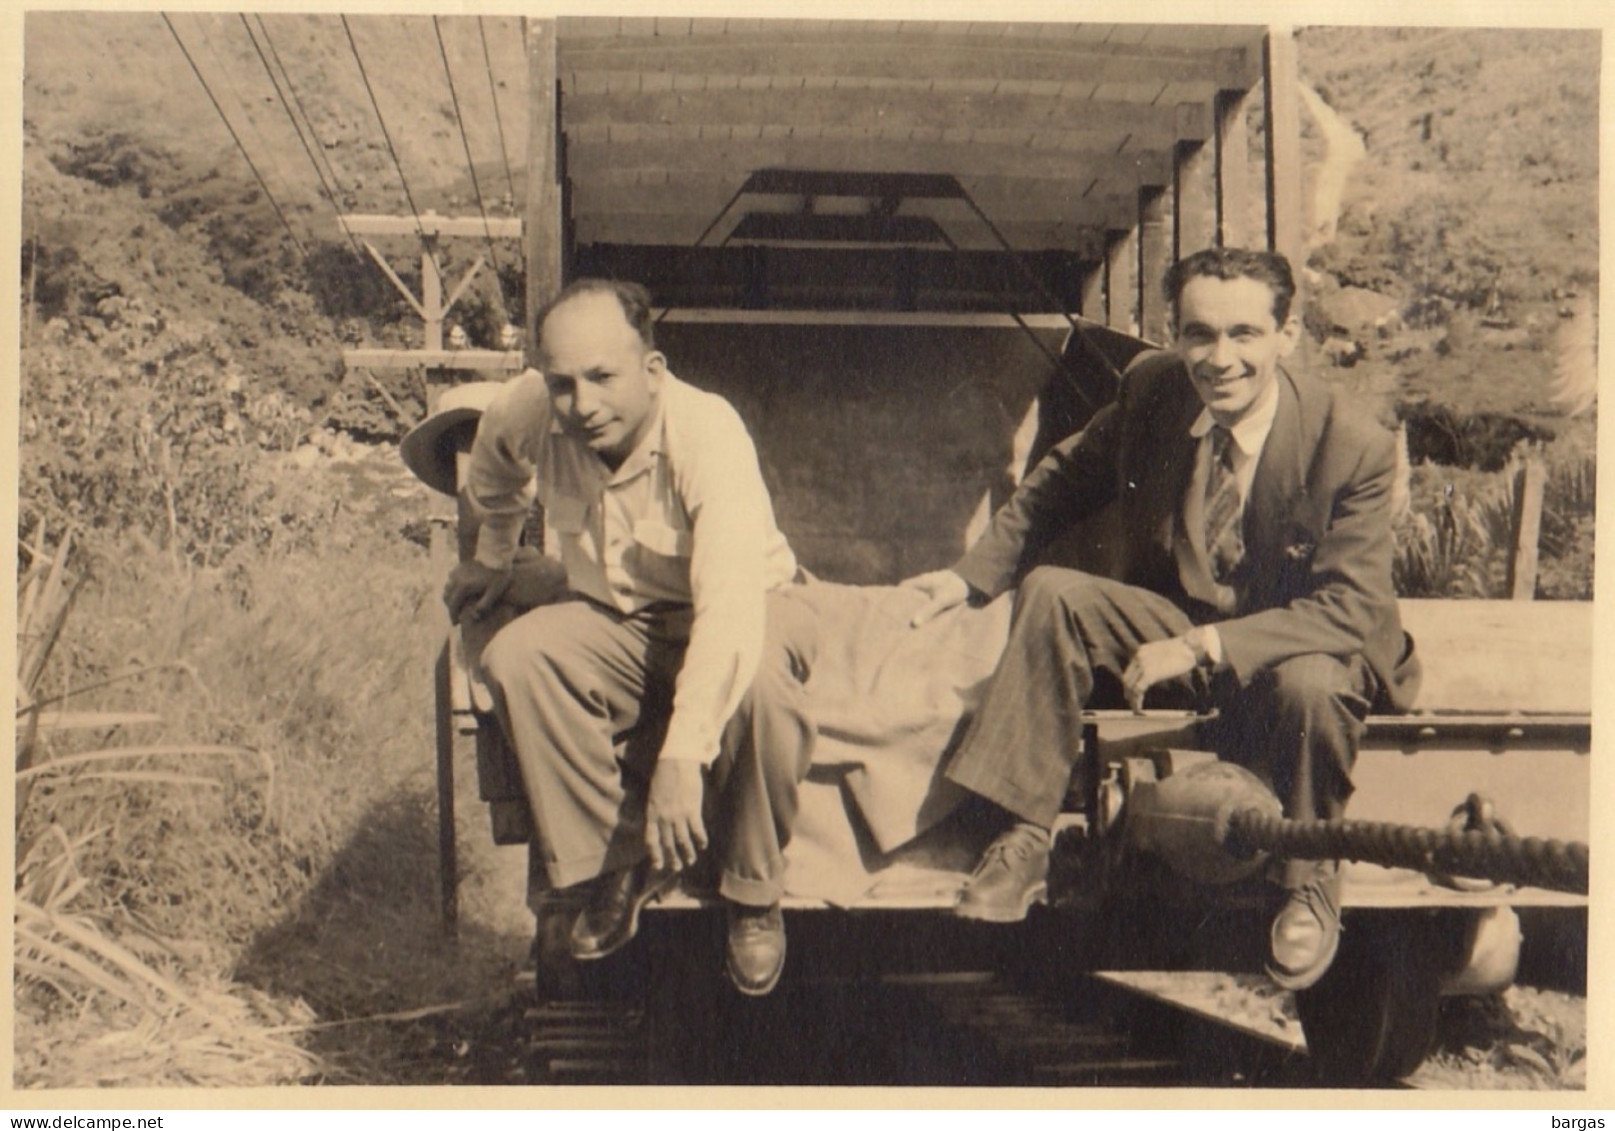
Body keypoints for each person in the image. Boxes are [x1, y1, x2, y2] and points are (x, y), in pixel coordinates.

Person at [905, 247, 1420, 991]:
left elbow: (1349, 607)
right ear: (1174, 336)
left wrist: (1204, 644)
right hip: (1182, 618)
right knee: (1054, 591)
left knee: (1312, 685)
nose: (1219, 359)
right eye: (1198, 334)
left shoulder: (1349, 444)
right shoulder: (1152, 390)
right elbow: (1060, 482)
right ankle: (1022, 835)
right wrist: (967, 579)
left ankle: (1307, 879)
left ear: (1288, 334)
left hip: (1301, 639)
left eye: (1243, 334)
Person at [442, 278, 814, 997]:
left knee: (763, 687)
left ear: (651, 371)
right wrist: (491, 557)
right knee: (518, 655)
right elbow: (492, 473)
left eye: (603, 377)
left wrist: (681, 757)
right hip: (622, 615)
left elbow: (730, 610)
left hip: (751, 606)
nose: (581, 406)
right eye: (563, 383)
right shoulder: (530, 408)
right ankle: (611, 862)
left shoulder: (707, 432)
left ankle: (752, 892)